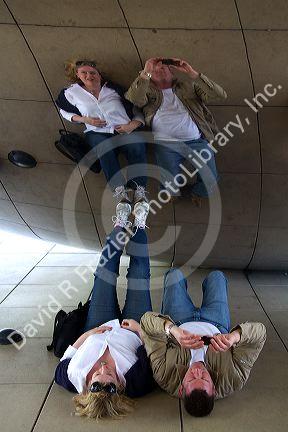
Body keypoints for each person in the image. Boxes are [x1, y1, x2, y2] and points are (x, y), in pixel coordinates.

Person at [54, 199, 155, 419]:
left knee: (104, 273)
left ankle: (120, 225)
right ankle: (138, 224)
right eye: (109, 377)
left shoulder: (72, 376)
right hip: (133, 329)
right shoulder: (137, 383)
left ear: (88, 387)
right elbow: (153, 352)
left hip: (97, 325)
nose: (102, 370)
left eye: (96, 379)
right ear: (118, 388)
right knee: (139, 274)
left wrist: (88, 334)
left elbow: (65, 358)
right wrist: (140, 330)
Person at [139, 268, 266, 417]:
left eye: (192, 378)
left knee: (174, 275)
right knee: (217, 276)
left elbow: (147, 322)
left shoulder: (164, 375)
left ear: (181, 389)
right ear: (214, 388)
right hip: (216, 322)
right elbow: (260, 333)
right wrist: (233, 338)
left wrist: (172, 330)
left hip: (179, 320)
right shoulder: (233, 378)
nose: (197, 371)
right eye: (205, 378)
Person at [125, 57, 227, 203]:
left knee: (210, 178)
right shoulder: (145, 91)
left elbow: (220, 95)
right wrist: (146, 73)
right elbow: (133, 99)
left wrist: (192, 73)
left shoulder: (189, 86)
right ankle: (171, 193)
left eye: (163, 67)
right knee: (169, 184)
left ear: (172, 71)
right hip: (166, 144)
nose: (159, 69)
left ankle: (199, 193)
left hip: (196, 141)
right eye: (154, 69)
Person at [57, 59, 148, 203]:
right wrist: (84, 120)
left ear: (99, 75)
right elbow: (63, 111)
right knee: (103, 149)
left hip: (123, 130)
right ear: (78, 75)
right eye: (84, 73)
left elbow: (135, 109)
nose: (89, 76)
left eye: (92, 72)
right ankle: (119, 191)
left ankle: (139, 190)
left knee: (137, 146)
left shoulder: (114, 89)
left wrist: (133, 125)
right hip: (96, 132)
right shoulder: (71, 93)